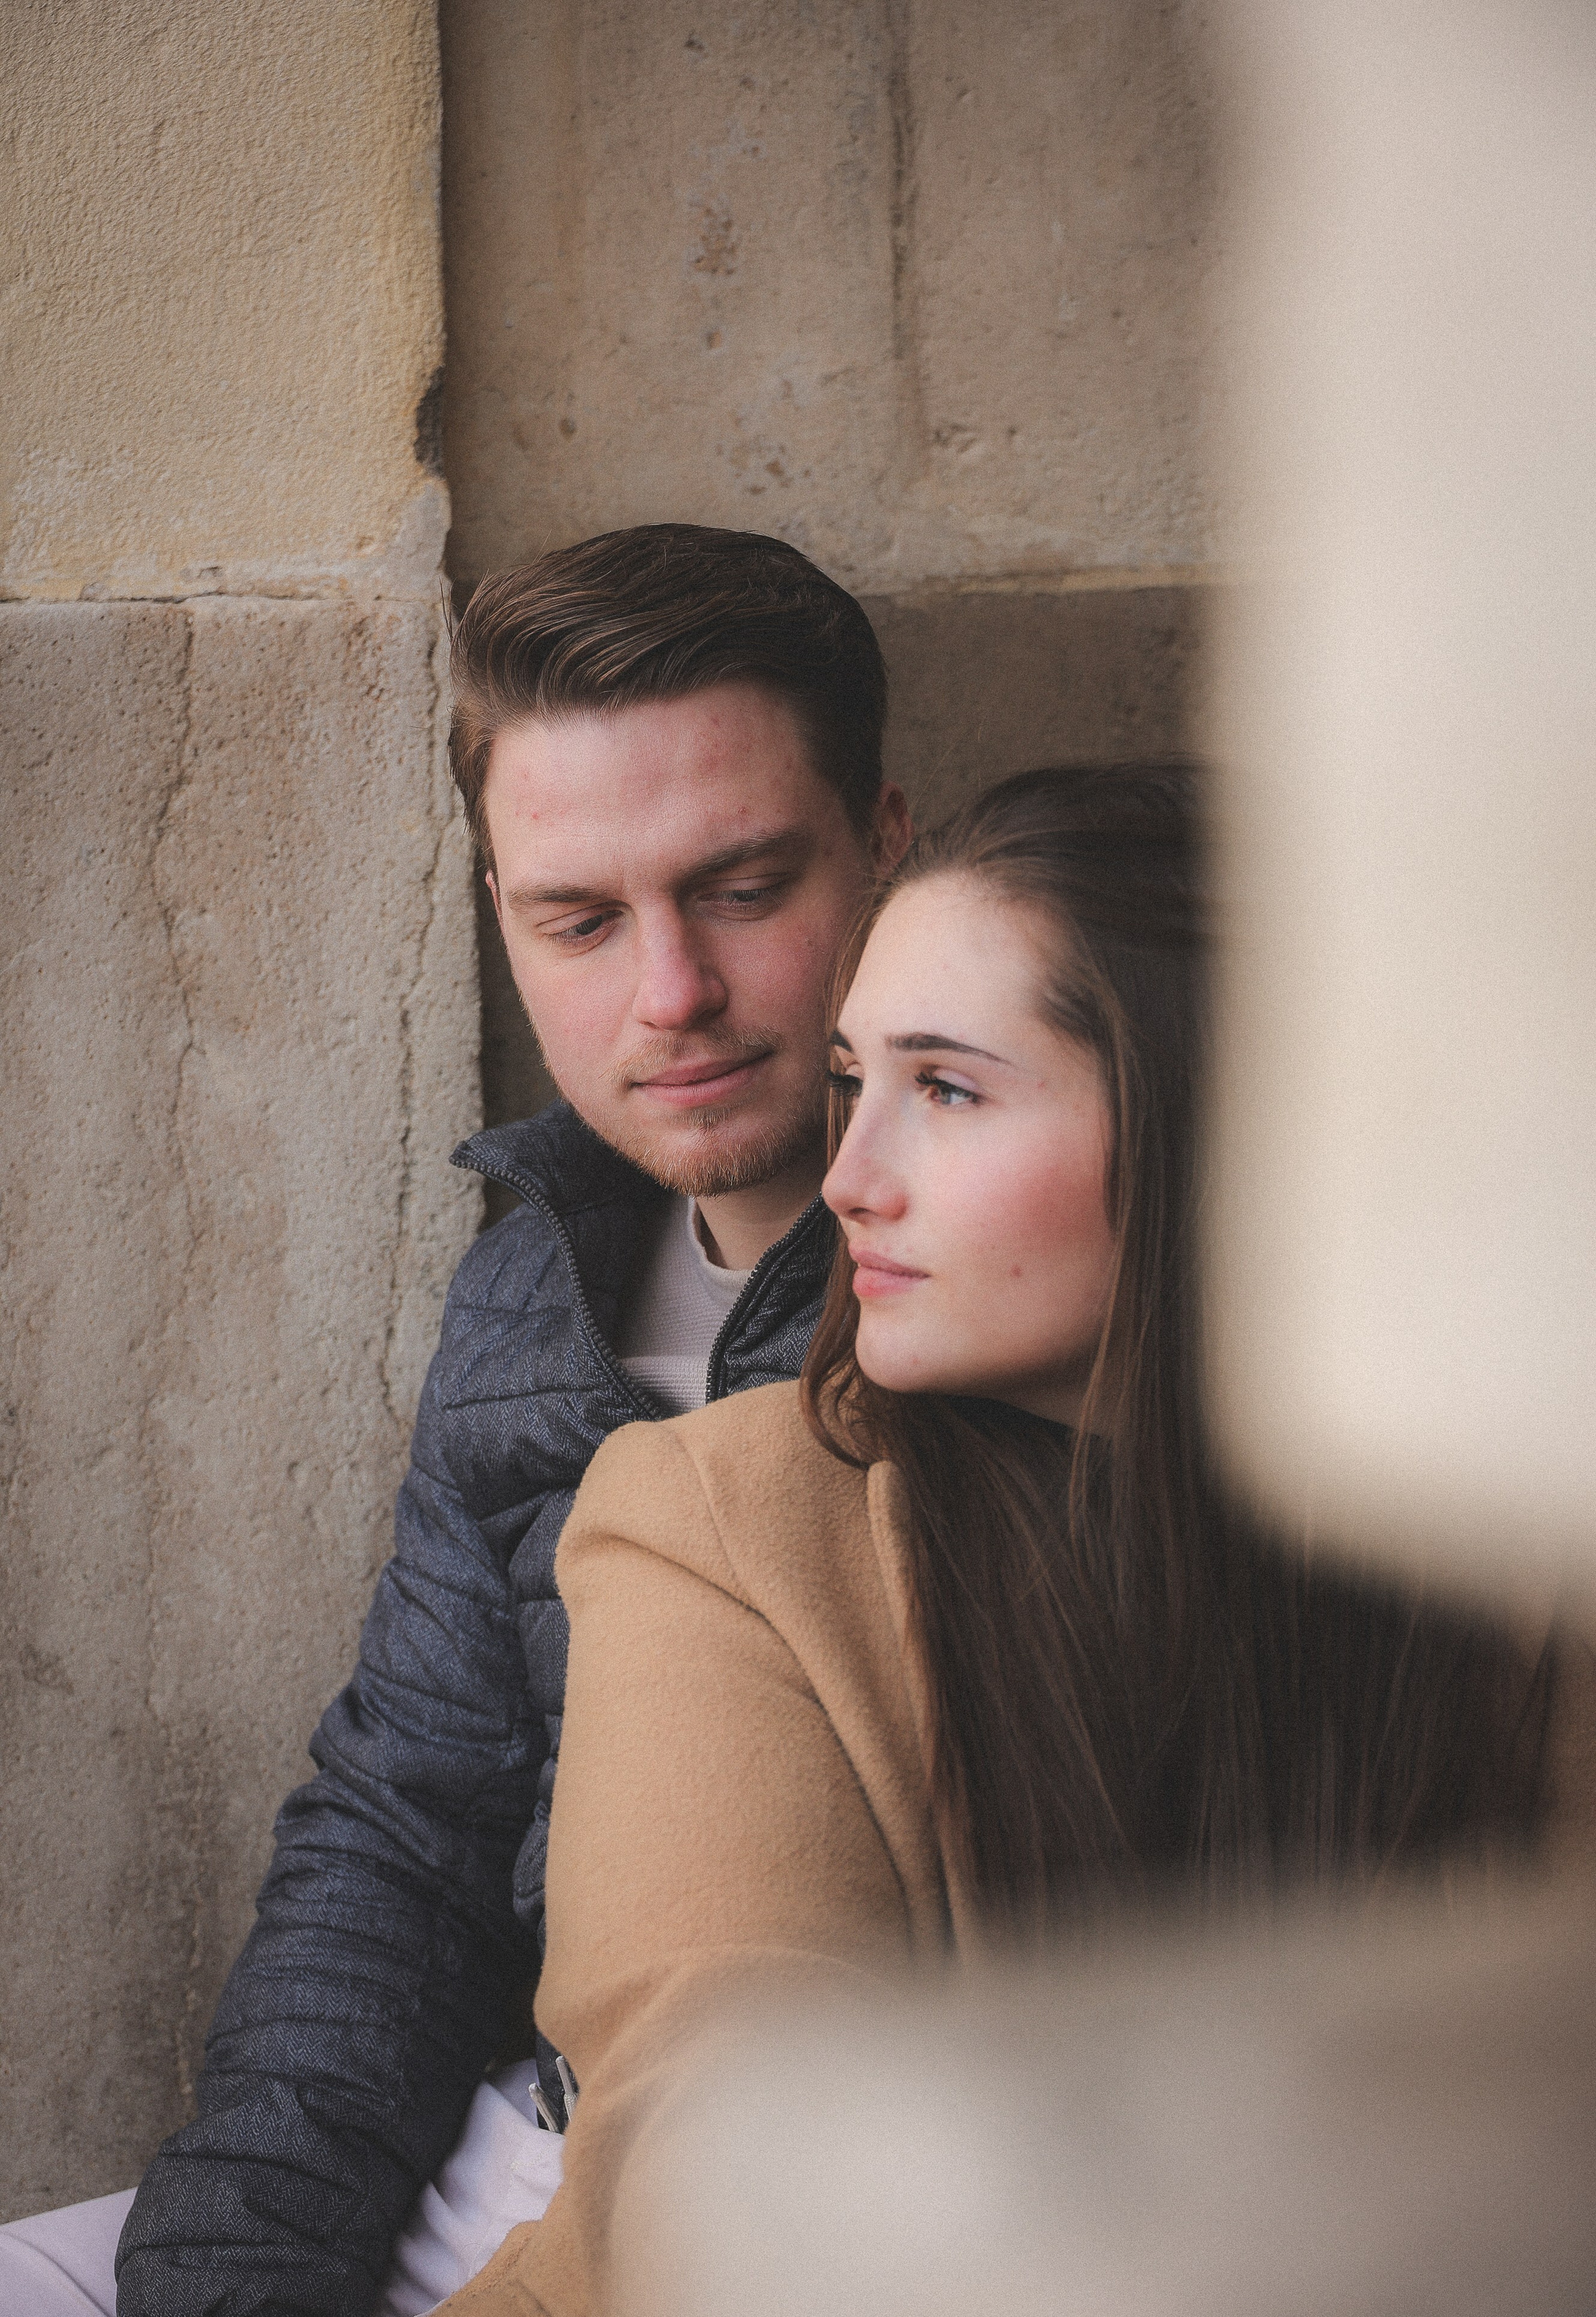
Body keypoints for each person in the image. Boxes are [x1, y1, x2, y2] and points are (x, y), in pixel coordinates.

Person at [435, 761, 1592, 2317]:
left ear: (1219, 1129)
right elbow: (724, 2154)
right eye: (855, 1081)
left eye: (950, 1090)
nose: (846, 1178)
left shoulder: (1504, 1544)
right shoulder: (720, 1523)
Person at [0, 526, 908, 2316]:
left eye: (741, 885)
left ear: (888, 846)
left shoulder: (995, 1269)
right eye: (577, 917)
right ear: (496, 910)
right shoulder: (529, 1291)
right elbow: (407, 1829)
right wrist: (233, 2271)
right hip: (512, 2141)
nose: (670, 996)